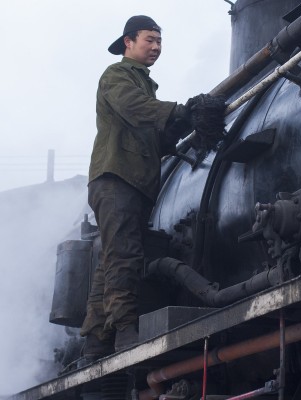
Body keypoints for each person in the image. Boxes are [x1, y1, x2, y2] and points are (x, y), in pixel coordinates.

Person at [79, 15, 226, 361]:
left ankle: (95, 341)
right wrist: (180, 111)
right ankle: (126, 332)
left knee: (110, 262)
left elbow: (157, 139)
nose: (157, 47)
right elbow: (135, 108)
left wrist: (185, 126)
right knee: (125, 256)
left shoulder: (146, 87)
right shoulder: (116, 77)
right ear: (128, 42)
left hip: (135, 184)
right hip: (116, 178)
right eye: (150, 40)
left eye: (160, 42)